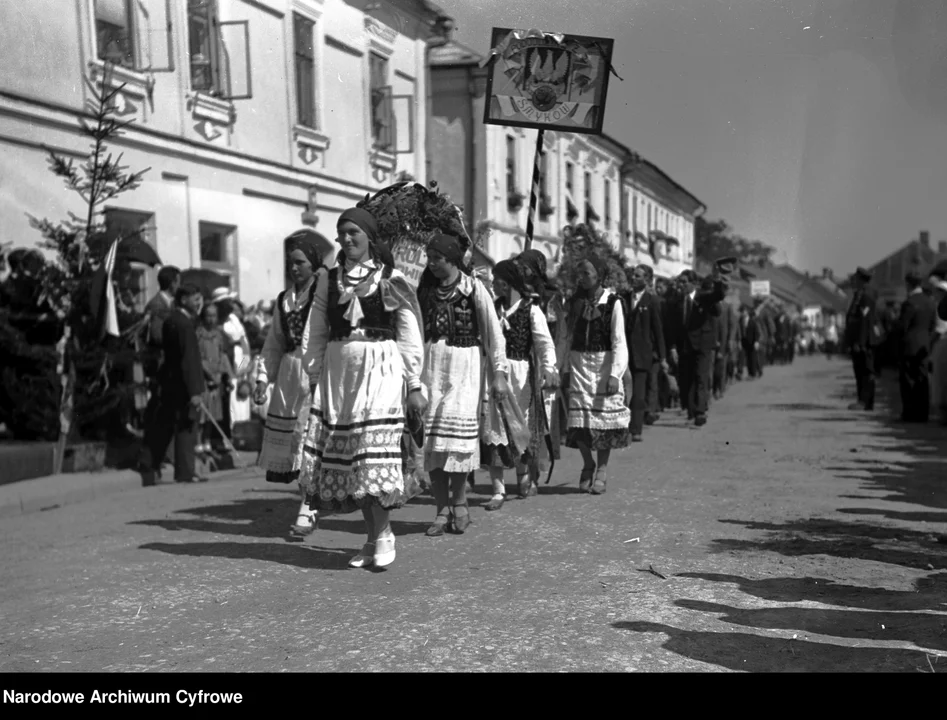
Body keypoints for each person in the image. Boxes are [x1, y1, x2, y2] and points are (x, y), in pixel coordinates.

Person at [299, 210, 424, 568]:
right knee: (353, 459)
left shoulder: (391, 278)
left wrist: (414, 382)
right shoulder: (328, 279)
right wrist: (313, 376)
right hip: (339, 376)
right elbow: (316, 330)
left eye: (353, 232)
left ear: (369, 236)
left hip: (381, 369)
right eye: (341, 234)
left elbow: (409, 333)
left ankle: (384, 534)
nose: (347, 239)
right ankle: (373, 539)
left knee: (372, 452)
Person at [418, 233, 509, 535]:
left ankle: (460, 502)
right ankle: (441, 509)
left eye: (437, 258)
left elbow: (494, 334)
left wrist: (499, 373)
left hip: (465, 370)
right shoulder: (425, 291)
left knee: (457, 444)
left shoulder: (474, 289)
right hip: (431, 368)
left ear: (452, 258)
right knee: (432, 444)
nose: (431, 263)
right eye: (429, 257)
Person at [254, 230, 332, 536]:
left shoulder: (322, 296)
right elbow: (273, 342)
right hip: (288, 375)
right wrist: (263, 378)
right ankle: (309, 503)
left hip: (315, 372)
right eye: (291, 263)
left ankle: (307, 509)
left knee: (308, 440)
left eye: (300, 262)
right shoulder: (283, 300)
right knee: (294, 442)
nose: (294, 268)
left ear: (313, 265)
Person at [481, 259, 557, 510]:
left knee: (518, 426)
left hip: (520, 374)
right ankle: (498, 490)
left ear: (508, 282)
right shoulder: (492, 308)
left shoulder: (531, 309)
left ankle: (524, 474)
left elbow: (544, 342)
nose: (493, 283)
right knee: (494, 428)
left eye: (497, 279)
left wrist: (549, 368)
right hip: (494, 374)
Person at [558, 254, 630, 493]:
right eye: (580, 274)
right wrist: (565, 368)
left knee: (603, 421)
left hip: (603, 365)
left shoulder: (613, 302)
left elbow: (619, 340)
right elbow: (567, 338)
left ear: (599, 276)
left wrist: (615, 374)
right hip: (579, 365)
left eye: (587, 273)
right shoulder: (574, 302)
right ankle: (587, 463)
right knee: (580, 422)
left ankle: (602, 469)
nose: (582, 278)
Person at [140, 284, 206, 484]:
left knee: (168, 426)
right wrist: (195, 390)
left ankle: (151, 465)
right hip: (182, 385)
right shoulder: (183, 324)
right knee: (185, 427)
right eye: (195, 298)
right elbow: (189, 359)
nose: (198, 303)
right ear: (184, 299)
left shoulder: (173, 320)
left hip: (172, 382)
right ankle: (184, 471)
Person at [665, 269, 727, 427]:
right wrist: (672, 347)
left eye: (685, 282)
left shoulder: (703, 297)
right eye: (680, 282)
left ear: (694, 283)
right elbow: (672, 326)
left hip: (703, 344)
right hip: (684, 345)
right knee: (686, 379)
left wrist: (719, 281)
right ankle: (691, 410)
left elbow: (718, 296)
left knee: (701, 376)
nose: (682, 285)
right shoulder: (677, 301)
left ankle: (700, 412)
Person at [621, 264, 666, 443]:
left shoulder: (652, 301)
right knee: (622, 393)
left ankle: (636, 428)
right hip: (624, 354)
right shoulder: (623, 298)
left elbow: (658, 331)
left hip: (642, 355)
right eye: (633, 275)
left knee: (638, 395)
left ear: (647, 280)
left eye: (638, 276)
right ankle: (622, 428)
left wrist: (662, 357)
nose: (634, 278)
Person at [897, 270, 936, 423]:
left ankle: (909, 413)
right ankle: (922, 413)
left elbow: (902, 326)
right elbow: (932, 324)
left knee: (908, 380)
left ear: (908, 284)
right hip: (924, 345)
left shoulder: (909, 302)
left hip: (909, 345)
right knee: (922, 379)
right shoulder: (930, 302)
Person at [196, 302, 235, 451]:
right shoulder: (199, 334)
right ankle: (199, 441)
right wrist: (211, 375)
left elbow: (222, 355)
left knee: (214, 411)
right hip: (204, 377)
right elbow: (199, 358)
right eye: (208, 315)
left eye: (214, 316)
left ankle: (208, 440)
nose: (211, 319)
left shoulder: (219, 335)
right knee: (202, 412)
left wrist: (226, 375)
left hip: (217, 376)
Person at [844, 266, 878, 411]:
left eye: (855, 279)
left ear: (862, 281)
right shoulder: (858, 296)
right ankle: (862, 400)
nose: (852, 282)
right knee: (859, 371)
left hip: (864, 342)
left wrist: (861, 342)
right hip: (858, 342)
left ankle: (865, 401)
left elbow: (865, 321)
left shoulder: (866, 297)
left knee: (866, 372)